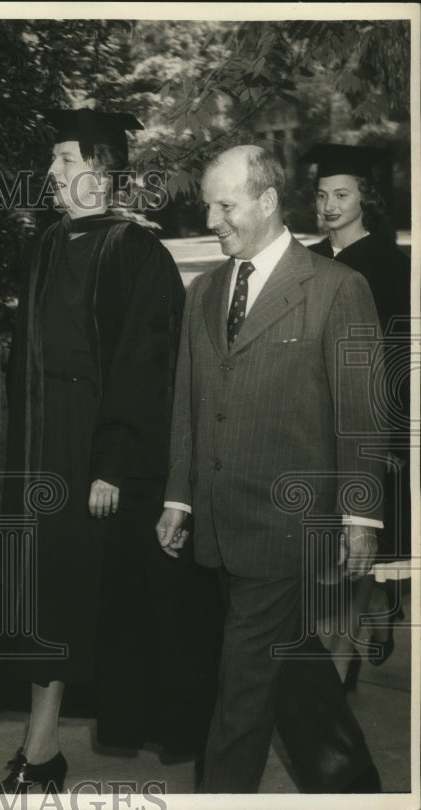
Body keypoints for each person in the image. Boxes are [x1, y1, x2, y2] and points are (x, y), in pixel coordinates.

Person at [0, 108, 221, 792]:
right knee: (48, 601)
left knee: (95, 607)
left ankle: (42, 750)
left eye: (64, 160)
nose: (53, 174)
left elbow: (144, 365)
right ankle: (40, 745)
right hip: (42, 450)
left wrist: (113, 463)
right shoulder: (46, 246)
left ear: (102, 168)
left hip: (93, 455)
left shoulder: (135, 251)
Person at [156, 144, 384, 793]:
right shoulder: (204, 291)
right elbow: (189, 403)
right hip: (222, 524)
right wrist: (179, 498)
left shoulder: (337, 288)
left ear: (266, 200)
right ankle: (354, 787)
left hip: (290, 528)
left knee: (242, 689)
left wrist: (361, 515)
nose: (213, 218)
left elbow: (360, 412)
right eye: (208, 204)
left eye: (224, 204)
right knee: (291, 669)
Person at [302, 143, 411, 685]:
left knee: (355, 546)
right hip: (315, 425)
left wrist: (391, 442)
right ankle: (374, 612)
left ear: (365, 196)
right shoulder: (310, 260)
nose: (328, 205)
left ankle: (340, 661)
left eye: (341, 195)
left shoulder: (391, 265)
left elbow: (399, 356)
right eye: (322, 195)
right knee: (325, 549)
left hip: (370, 425)